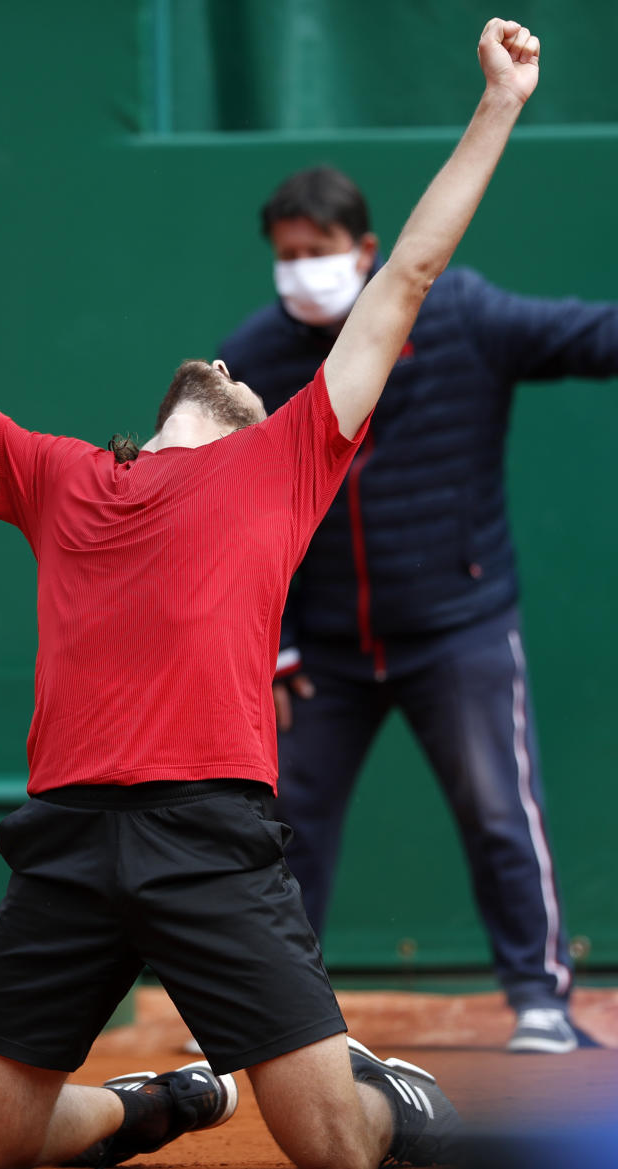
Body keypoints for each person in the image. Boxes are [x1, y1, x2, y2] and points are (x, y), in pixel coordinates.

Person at [0, 18, 538, 1169]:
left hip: (210, 841)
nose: (228, 365)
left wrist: (500, 103)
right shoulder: (65, 478)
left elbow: (409, 268)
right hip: (63, 844)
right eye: (223, 366)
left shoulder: (286, 462)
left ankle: (398, 1101)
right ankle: (162, 1102)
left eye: (246, 380)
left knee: (330, 1142)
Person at [218, 86, 614, 1061]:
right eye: (287, 251)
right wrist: (273, 641)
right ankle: (279, 1022)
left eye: (319, 248)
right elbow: (229, 514)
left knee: (498, 811)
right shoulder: (253, 358)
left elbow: (587, 334)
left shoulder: (465, 315)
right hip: (321, 654)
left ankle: (540, 1003)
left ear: (367, 249)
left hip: (459, 625)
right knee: (286, 835)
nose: (302, 269)